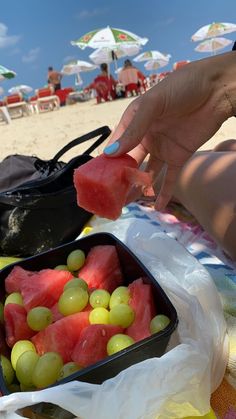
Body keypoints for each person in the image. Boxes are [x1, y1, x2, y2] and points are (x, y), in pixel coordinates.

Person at [103, 50, 236, 260]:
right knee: (227, 146)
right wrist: (218, 84)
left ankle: (157, 175)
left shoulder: (120, 74)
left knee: (187, 169)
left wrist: (219, 82)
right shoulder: (136, 72)